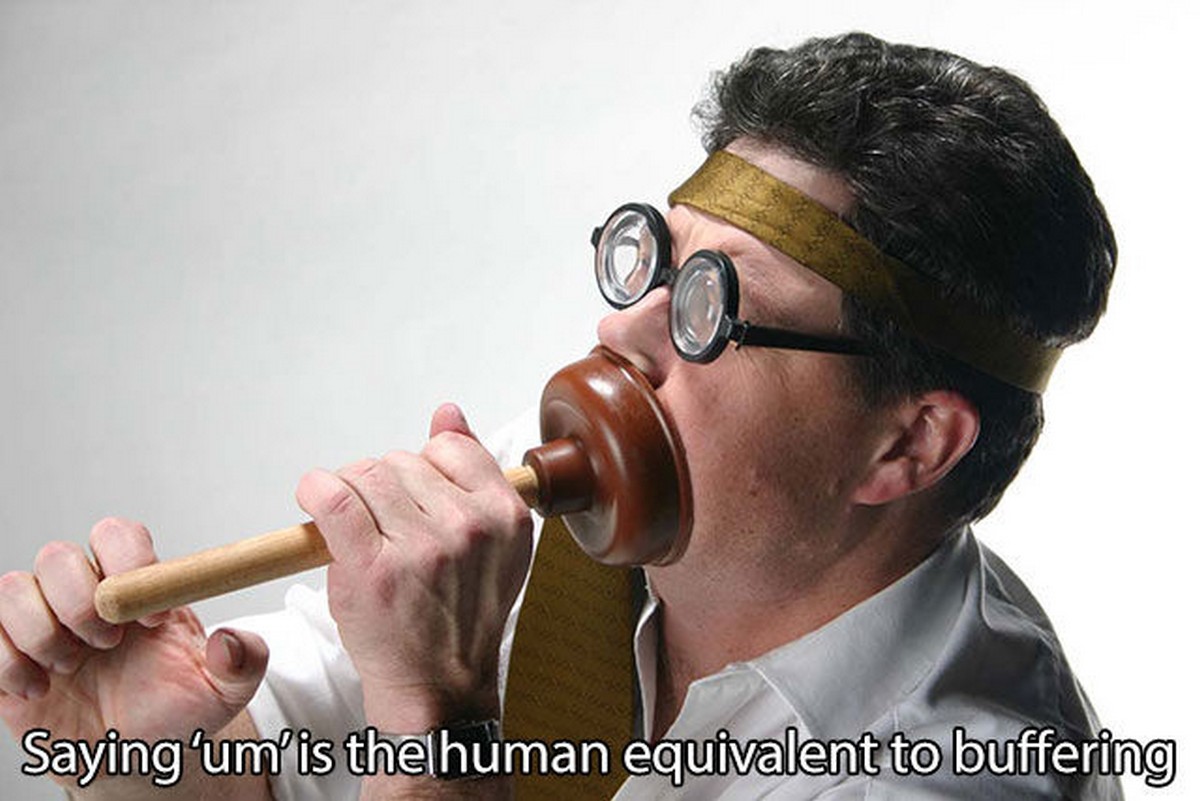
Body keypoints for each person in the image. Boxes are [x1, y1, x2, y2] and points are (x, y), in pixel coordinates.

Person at [0, 32, 1119, 799]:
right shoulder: (570, 524)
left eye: (711, 307)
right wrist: (148, 754)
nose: (620, 332)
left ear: (907, 443)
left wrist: (436, 715)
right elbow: (277, 756)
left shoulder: (962, 768)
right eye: (653, 261)